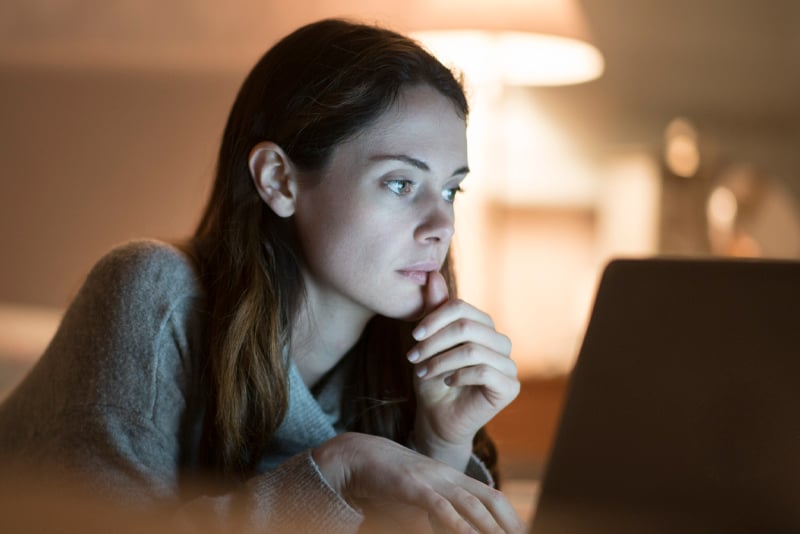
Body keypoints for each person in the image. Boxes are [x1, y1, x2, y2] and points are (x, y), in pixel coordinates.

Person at [0, 18, 523, 533]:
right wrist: (338, 470)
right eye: (400, 184)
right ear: (279, 181)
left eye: (452, 190)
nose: (442, 225)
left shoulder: (404, 368)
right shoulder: (151, 293)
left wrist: (441, 445)